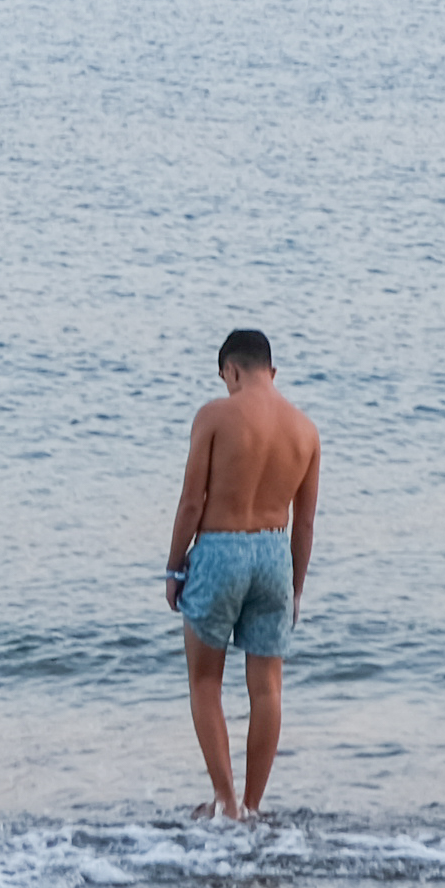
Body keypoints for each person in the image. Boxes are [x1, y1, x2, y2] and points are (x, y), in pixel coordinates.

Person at [168, 326, 324, 820]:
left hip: (220, 551)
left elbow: (193, 500)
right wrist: (295, 587)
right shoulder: (306, 430)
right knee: (267, 687)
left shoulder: (215, 415)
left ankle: (225, 802)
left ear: (230, 370)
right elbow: (305, 524)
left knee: (205, 682)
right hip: (276, 557)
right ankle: (254, 806)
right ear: (272, 371)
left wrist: (174, 567)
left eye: (227, 378)